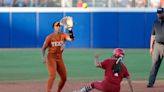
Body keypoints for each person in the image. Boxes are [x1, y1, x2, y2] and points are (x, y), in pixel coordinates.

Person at [42, 21, 74, 92]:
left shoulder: (63, 35)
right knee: (52, 75)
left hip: (59, 58)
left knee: (64, 78)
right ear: (54, 27)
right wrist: (43, 57)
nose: (58, 27)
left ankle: (58, 90)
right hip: (51, 58)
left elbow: (72, 39)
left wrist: (70, 29)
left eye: (59, 26)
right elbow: (43, 48)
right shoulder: (49, 37)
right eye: (57, 25)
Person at [147, 7, 164, 88]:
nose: (159, 14)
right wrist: (151, 47)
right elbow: (153, 35)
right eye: (158, 13)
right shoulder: (155, 22)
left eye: (160, 12)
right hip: (157, 46)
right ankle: (150, 82)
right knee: (154, 64)